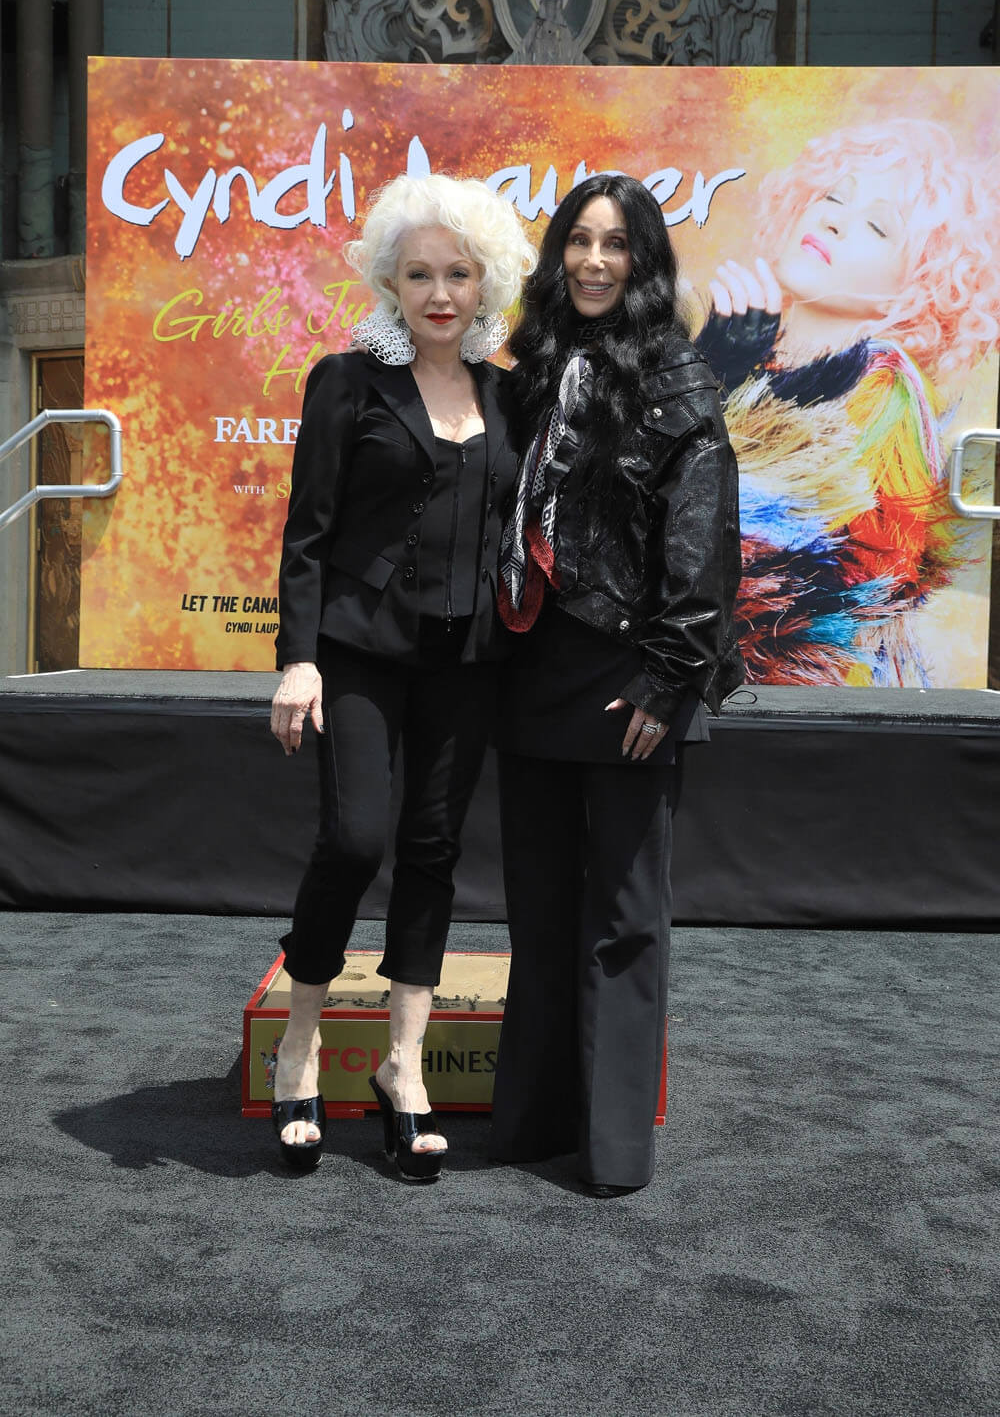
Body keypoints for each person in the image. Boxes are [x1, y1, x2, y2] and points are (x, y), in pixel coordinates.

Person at [269, 172, 535, 1180]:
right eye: (419, 273)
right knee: (354, 839)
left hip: (468, 661)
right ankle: (300, 1043)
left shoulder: (508, 396)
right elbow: (307, 533)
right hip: (357, 650)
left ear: (485, 283)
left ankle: (402, 1066)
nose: (439, 292)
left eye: (458, 274)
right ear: (390, 281)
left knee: (431, 848)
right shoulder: (346, 381)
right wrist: (298, 660)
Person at [488, 173, 743, 1196]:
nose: (594, 261)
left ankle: (612, 1148)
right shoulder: (529, 372)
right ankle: (532, 1125)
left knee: (626, 919)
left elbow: (703, 542)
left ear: (644, 261)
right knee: (539, 914)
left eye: (616, 244)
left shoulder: (677, 379)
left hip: (631, 676)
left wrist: (668, 680)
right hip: (531, 670)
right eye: (578, 242)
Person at [696, 118, 1000, 686]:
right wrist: (714, 369)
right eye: (833, 196)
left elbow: (744, 544)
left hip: (784, 700)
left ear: (922, 280)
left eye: (878, 227)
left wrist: (708, 383)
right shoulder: (761, 356)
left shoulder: (885, 392)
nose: (832, 220)